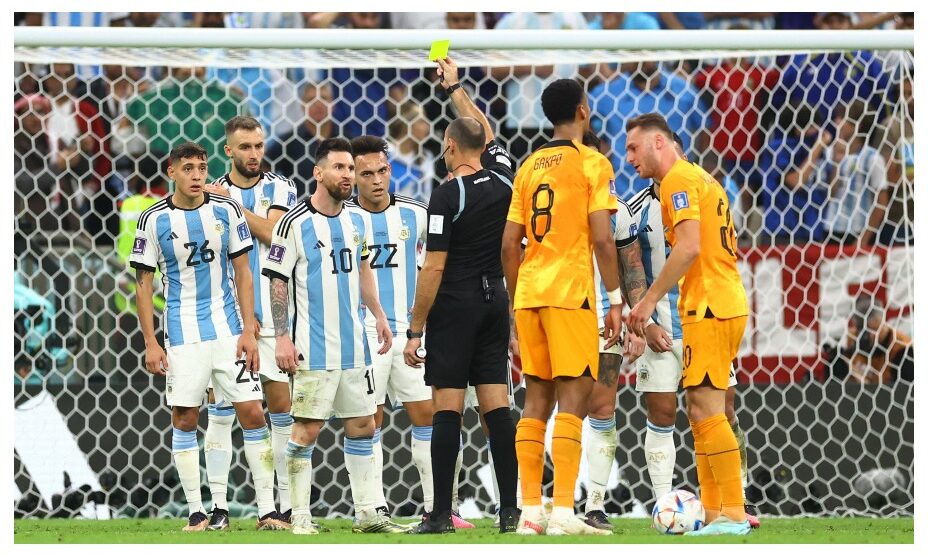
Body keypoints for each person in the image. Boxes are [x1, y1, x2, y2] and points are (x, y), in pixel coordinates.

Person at [128, 141, 281, 532]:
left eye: (201, 167)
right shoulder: (153, 220)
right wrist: (150, 342)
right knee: (185, 417)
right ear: (171, 172)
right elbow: (143, 285)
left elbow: (244, 272)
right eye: (188, 168)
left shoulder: (226, 210)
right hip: (183, 335)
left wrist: (248, 330)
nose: (196, 175)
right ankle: (199, 512)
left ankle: (266, 510)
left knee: (252, 412)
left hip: (228, 330)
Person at [261, 138, 406, 535]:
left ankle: (368, 515)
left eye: (350, 168)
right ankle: (299, 516)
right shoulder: (293, 222)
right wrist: (282, 338)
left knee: (363, 426)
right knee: (306, 430)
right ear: (318, 172)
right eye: (339, 167)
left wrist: (379, 315)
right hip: (313, 349)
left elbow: (363, 269)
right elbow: (277, 282)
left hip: (354, 347)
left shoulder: (356, 219)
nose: (347, 175)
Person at [402, 56, 520, 534]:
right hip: (496, 302)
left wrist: (415, 329)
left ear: (449, 146)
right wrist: (455, 89)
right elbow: (484, 131)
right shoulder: (506, 175)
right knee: (497, 407)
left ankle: (438, 515)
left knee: (446, 408)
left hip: (455, 305)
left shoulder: (448, 195)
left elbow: (433, 266)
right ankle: (509, 512)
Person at [501, 78, 623, 536]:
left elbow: (509, 245)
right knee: (575, 399)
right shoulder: (592, 161)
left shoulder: (528, 166)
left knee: (536, 400)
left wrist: (516, 302)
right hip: (571, 292)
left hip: (530, 293)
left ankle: (531, 511)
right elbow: (603, 238)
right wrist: (615, 299)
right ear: (583, 111)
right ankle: (565, 512)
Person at [625, 132, 759, 528]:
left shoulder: (678, 180)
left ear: (659, 143)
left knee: (709, 412)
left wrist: (647, 301)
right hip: (717, 301)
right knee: (700, 413)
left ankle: (733, 512)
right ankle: (716, 512)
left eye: (633, 147)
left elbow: (688, 247)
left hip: (709, 304)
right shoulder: (704, 179)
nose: (629, 157)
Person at [196, 116, 299, 530]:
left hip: (276, 317)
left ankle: (284, 507)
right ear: (228, 151)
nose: (254, 154)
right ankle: (219, 507)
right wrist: (239, 318)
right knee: (223, 410)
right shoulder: (208, 195)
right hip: (228, 320)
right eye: (245, 147)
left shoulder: (280, 187)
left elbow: (275, 234)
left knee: (281, 408)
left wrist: (233, 205)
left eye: (258, 145)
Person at [345, 135, 436, 521]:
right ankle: (372, 508)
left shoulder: (417, 213)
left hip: (412, 333)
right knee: (369, 420)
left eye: (383, 171)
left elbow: (437, 264)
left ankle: (436, 508)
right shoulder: (343, 218)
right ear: (353, 176)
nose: (377, 180)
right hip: (364, 334)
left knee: (428, 414)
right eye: (366, 174)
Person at [579, 130, 646, 531]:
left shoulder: (619, 211)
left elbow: (632, 269)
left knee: (602, 408)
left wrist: (637, 323)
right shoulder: (549, 206)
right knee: (555, 407)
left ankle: (595, 504)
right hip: (561, 318)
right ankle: (540, 503)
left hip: (607, 319)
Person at [818, 101, 890, 245]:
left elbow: (881, 202)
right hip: (831, 228)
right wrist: (836, 162)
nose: (837, 122)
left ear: (858, 125)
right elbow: (829, 195)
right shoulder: (828, 153)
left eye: (842, 118)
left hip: (858, 230)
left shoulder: (872, 158)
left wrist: (864, 239)